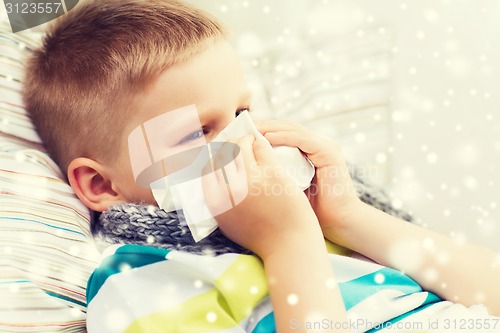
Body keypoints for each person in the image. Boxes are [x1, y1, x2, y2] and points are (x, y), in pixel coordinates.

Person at [23, 0, 499, 331]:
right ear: (101, 184)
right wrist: (287, 243)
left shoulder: (317, 219)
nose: (244, 139)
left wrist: (350, 219)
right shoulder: (139, 283)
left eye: (243, 113)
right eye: (197, 133)